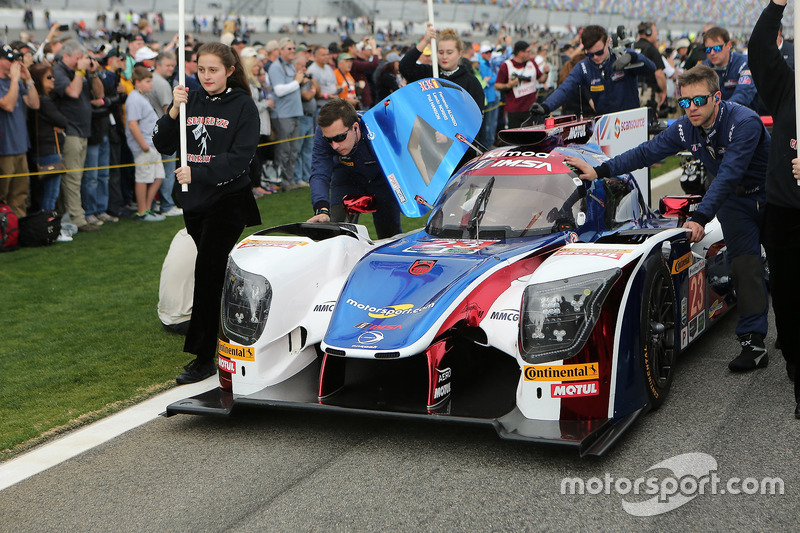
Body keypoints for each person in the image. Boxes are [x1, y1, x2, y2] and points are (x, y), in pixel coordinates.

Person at [566, 65, 770, 373]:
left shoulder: (744, 122)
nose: (691, 108)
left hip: (771, 195)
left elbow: (729, 173)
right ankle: (754, 343)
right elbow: (646, 152)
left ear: (716, 97)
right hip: (735, 203)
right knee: (745, 266)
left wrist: (701, 216)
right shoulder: (684, 128)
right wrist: (601, 170)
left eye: (698, 101)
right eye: (685, 102)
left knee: (786, 267)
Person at [153, 42, 261, 384]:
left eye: (213, 69)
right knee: (216, 269)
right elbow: (161, 143)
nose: (206, 76)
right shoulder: (189, 99)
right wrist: (173, 111)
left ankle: (202, 357)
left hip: (229, 200)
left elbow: (241, 159)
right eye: (201, 69)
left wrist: (198, 171)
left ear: (229, 70)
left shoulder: (244, 105)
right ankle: (243, 313)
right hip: (194, 202)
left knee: (208, 269)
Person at [749, 0, 800, 416]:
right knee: (786, 296)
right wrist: (777, 4)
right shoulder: (788, 85)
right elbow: (759, 49)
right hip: (785, 211)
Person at [306, 98, 401, 239]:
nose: (334, 146)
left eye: (340, 137)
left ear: (355, 127)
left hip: (383, 178)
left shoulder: (378, 127)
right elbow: (319, 172)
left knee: (389, 234)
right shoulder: (324, 132)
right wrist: (322, 209)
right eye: (329, 140)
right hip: (347, 177)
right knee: (339, 236)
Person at [531, 25, 656, 120]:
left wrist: (633, 57)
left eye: (599, 52)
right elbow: (565, 89)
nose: (595, 57)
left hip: (630, 122)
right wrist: (546, 106)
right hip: (604, 123)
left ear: (607, 42)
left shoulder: (623, 55)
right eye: (590, 54)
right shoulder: (584, 66)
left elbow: (651, 69)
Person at [52, 39, 104, 231]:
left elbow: (99, 95)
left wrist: (94, 73)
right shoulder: (58, 72)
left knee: (78, 176)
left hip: (83, 129)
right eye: (77, 57)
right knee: (73, 177)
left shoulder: (80, 72)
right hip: (70, 131)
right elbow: (73, 93)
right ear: (65, 56)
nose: (81, 61)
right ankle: (77, 219)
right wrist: (81, 71)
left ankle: (72, 214)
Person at [400, 25, 485, 115]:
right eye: (441, 52)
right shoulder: (429, 73)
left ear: (460, 53)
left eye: (449, 52)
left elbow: (476, 117)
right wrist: (425, 41)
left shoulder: (470, 82)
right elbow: (405, 67)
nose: (444, 57)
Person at [0, 43, 39, 219]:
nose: (14, 64)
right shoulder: (7, 82)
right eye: (10, 61)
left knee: (20, 193)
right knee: (3, 193)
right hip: (4, 148)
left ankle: (17, 227)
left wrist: (28, 79)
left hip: (20, 145)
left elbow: (34, 104)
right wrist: (15, 80)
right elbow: (7, 105)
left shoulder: (15, 81)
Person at [124, 66, 165, 222]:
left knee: (158, 176)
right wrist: (144, 146)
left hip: (152, 145)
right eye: (147, 81)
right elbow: (133, 124)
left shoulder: (142, 97)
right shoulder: (133, 99)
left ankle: (147, 209)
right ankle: (142, 212)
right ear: (137, 82)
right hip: (144, 146)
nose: (151, 85)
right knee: (142, 178)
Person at [146, 51, 182, 217]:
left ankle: (157, 204)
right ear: (158, 65)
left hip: (151, 131)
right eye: (167, 65)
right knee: (167, 170)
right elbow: (169, 110)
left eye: (172, 65)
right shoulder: (161, 84)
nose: (171, 68)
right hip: (163, 131)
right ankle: (167, 205)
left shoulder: (152, 79)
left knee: (156, 172)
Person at [28, 63, 66, 212]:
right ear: (38, 80)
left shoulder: (42, 100)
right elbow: (63, 121)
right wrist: (60, 124)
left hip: (43, 150)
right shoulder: (43, 101)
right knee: (50, 193)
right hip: (48, 152)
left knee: (47, 193)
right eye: (49, 77)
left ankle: (47, 224)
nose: (53, 79)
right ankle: (48, 225)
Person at [267, 37, 304, 190]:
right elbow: (279, 90)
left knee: (293, 149)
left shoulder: (290, 66)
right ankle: (280, 181)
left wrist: (301, 81)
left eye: (293, 48)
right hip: (283, 114)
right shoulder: (276, 67)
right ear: (280, 50)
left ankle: (290, 180)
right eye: (289, 48)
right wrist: (297, 81)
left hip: (295, 112)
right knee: (284, 150)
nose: (292, 51)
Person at [494, 40, 548, 129]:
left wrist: (546, 72)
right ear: (520, 53)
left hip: (531, 109)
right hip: (514, 110)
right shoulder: (506, 65)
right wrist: (509, 85)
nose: (530, 53)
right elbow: (497, 85)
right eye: (528, 51)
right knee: (515, 140)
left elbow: (541, 79)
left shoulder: (532, 63)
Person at [701, 26, 758, 110]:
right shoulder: (703, 68)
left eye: (717, 48)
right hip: (713, 117)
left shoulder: (744, 63)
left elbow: (743, 95)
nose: (712, 53)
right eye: (708, 49)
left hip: (743, 116)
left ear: (728, 45)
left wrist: (720, 110)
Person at [634, 21, 667, 109]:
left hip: (632, 93)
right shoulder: (652, 50)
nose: (656, 34)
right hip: (647, 94)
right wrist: (663, 91)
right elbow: (659, 74)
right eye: (655, 31)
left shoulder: (631, 48)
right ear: (649, 32)